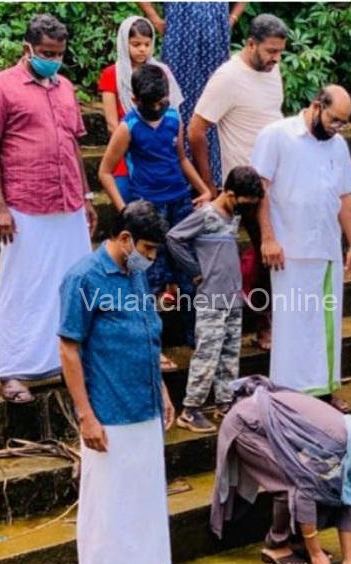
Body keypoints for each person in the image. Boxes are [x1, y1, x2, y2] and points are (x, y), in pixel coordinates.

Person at [58, 202, 197, 564]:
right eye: (148, 249)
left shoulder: (136, 276)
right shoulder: (83, 279)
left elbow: (147, 336)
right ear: (124, 239)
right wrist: (86, 416)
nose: (151, 259)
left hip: (146, 404)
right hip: (109, 412)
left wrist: (164, 391)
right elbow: (69, 349)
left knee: (148, 502)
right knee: (109, 508)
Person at [0, 14, 97, 405]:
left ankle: (69, 362)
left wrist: (87, 197)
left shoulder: (64, 87)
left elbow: (73, 145)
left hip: (69, 203)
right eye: (46, 53)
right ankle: (13, 371)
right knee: (22, 289)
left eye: (59, 54)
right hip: (24, 205)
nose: (53, 59)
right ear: (27, 48)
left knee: (74, 285)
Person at [211, 376, 351, 564]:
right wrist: (316, 553)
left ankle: (298, 540)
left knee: (330, 487)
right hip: (248, 426)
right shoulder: (334, 443)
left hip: (266, 422)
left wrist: (349, 561)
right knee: (290, 483)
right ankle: (276, 546)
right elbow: (304, 489)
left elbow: (347, 495)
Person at [251, 85, 351, 411]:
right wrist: (268, 237)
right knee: (290, 328)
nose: (338, 127)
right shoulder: (277, 135)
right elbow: (261, 190)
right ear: (316, 106)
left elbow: (345, 196)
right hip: (287, 249)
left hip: (325, 247)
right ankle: (287, 396)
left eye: (344, 122)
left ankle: (324, 391)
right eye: (334, 120)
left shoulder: (337, 145)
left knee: (325, 326)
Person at [98, 63, 212, 353]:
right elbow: (105, 171)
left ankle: (195, 337)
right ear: (135, 101)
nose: (158, 108)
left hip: (179, 202)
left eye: (163, 102)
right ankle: (151, 346)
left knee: (190, 271)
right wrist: (126, 210)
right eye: (152, 104)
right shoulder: (129, 126)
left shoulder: (174, 118)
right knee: (149, 274)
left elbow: (182, 159)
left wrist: (203, 189)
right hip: (147, 207)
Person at [189, 12, 287, 351]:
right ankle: (258, 325)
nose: (275, 59)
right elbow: (196, 130)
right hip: (244, 184)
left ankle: (266, 321)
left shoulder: (273, 71)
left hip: (276, 180)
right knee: (255, 255)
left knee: (272, 255)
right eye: (270, 51)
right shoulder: (228, 77)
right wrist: (209, 185)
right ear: (250, 44)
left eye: (280, 53)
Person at [166, 166, 264, 434]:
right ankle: (191, 409)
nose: (247, 209)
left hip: (232, 296)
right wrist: (195, 271)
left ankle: (226, 401)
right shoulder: (206, 215)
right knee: (207, 354)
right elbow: (174, 238)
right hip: (211, 297)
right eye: (244, 202)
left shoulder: (233, 217)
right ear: (230, 194)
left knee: (230, 354)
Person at [139, 1, 246, 180]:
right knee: (176, 96)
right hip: (180, 30)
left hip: (215, 34)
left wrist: (233, 18)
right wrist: (155, 19)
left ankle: (212, 175)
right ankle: (177, 172)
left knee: (215, 97)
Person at [97, 15, 183, 204]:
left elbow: (172, 110)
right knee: (130, 205)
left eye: (146, 43)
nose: (142, 49)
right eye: (136, 44)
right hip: (126, 149)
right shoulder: (112, 74)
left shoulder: (160, 72)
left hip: (158, 149)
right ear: (123, 42)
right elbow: (112, 123)